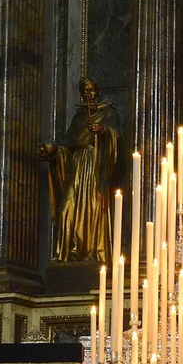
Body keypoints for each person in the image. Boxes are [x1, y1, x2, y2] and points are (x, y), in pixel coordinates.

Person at [41, 78, 121, 263]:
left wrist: (103, 130)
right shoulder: (78, 117)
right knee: (66, 208)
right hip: (76, 164)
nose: (89, 94)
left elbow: (117, 137)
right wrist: (51, 150)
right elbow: (66, 144)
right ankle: (66, 251)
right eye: (85, 91)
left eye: (91, 90)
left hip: (95, 163)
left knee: (92, 206)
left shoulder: (108, 113)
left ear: (97, 91)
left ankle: (90, 251)